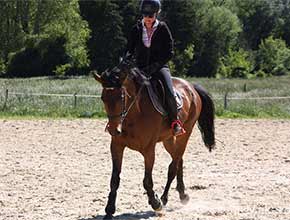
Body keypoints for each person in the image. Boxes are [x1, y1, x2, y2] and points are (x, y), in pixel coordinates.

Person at [125, 0, 185, 136]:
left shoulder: (163, 28)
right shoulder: (136, 29)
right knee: (122, 88)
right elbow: (129, 49)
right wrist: (126, 61)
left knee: (169, 91)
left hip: (159, 68)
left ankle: (175, 122)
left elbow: (169, 52)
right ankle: (118, 120)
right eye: (145, 15)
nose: (147, 19)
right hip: (139, 68)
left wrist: (154, 67)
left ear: (157, 14)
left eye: (150, 16)